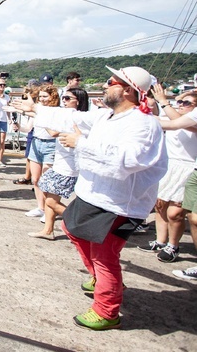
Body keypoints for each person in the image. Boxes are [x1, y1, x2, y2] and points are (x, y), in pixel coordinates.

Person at [14, 65, 167, 330]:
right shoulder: (107, 116)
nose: (106, 85)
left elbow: (128, 160)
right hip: (94, 194)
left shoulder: (144, 124)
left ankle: (107, 310)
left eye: (111, 81)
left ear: (128, 91)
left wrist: (81, 144)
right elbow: (75, 118)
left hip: (117, 202)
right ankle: (102, 279)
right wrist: (36, 109)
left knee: (104, 254)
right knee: (72, 228)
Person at [136, 86, 197, 262]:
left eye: (186, 103)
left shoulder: (189, 121)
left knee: (175, 213)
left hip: (186, 167)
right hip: (169, 164)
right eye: (179, 102)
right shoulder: (173, 115)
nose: (180, 105)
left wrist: (164, 102)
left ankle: (173, 245)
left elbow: (175, 122)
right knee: (160, 205)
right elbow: (155, 118)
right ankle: (160, 240)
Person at [27, 88, 89, 239]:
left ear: (78, 101)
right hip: (60, 164)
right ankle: (48, 230)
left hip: (68, 168)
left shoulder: (78, 118)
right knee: (48, 194)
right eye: (64, 98)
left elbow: (53, 132)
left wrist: (39, 115)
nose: (64, 101)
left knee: (50, 201)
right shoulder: (66, 115)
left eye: (68, 98)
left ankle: (82, 226)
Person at [25, 85, 61, 218]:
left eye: (45, 96)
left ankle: (50, 209)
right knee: (36, 179)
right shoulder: (37, 111)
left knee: (48, 180)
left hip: (51, 145)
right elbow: (28, 127)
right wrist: (17, 126)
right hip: (36, 142)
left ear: (53, 97)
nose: (42, 99)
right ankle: (41, 207)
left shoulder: (57, 111)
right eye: (40, 96)